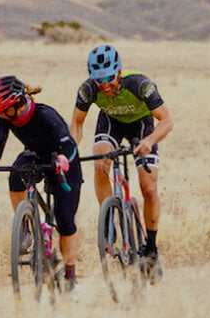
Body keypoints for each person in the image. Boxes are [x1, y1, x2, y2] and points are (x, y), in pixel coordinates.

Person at [69, 44, 173, 282]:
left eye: (109, 78)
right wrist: (71, 149)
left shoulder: (139, 84)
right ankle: (108, 222)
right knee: (99, 162)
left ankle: (151, 249)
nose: (104, 84)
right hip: (111, 122)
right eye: (98, 80)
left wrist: (150, 140)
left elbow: (166, 121)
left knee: (148, 188)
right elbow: (77, 123)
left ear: (119, 72)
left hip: (142, 124)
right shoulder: (88, 90)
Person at [0, 75, 85, 293]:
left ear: (17, 104)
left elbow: (68, 143)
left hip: (64, 160)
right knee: (14, 175)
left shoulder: (44, 114)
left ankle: (70, 276)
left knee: (65, 222)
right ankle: (28, 227)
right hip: (35, 155)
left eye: (2, 110)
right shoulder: (5, 116)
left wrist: (64, 159)